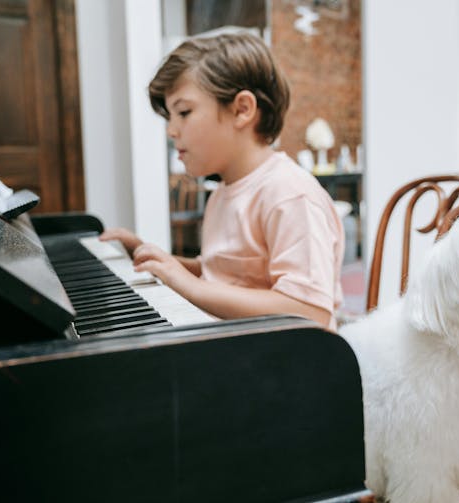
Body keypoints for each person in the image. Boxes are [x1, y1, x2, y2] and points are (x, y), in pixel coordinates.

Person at [100, 32, 345, 331]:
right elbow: (222, 274)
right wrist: (161, 261)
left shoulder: (288, 193)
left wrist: (189, 285)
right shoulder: (224, 193)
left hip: (287, 368)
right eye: (170, 117)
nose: (171, 131)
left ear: (242, 110)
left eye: (184, 112)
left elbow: (308, 310)